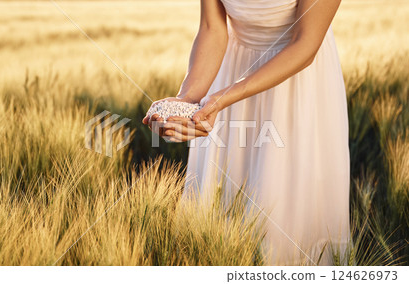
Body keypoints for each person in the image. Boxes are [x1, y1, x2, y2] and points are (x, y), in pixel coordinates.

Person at [142, 0, 350, 265]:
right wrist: (187, 102)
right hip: (232, 72)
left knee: (284, 203)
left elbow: (305, 44)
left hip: (296, 79)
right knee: (225, 199)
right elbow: (212, 28)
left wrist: (223, 97)